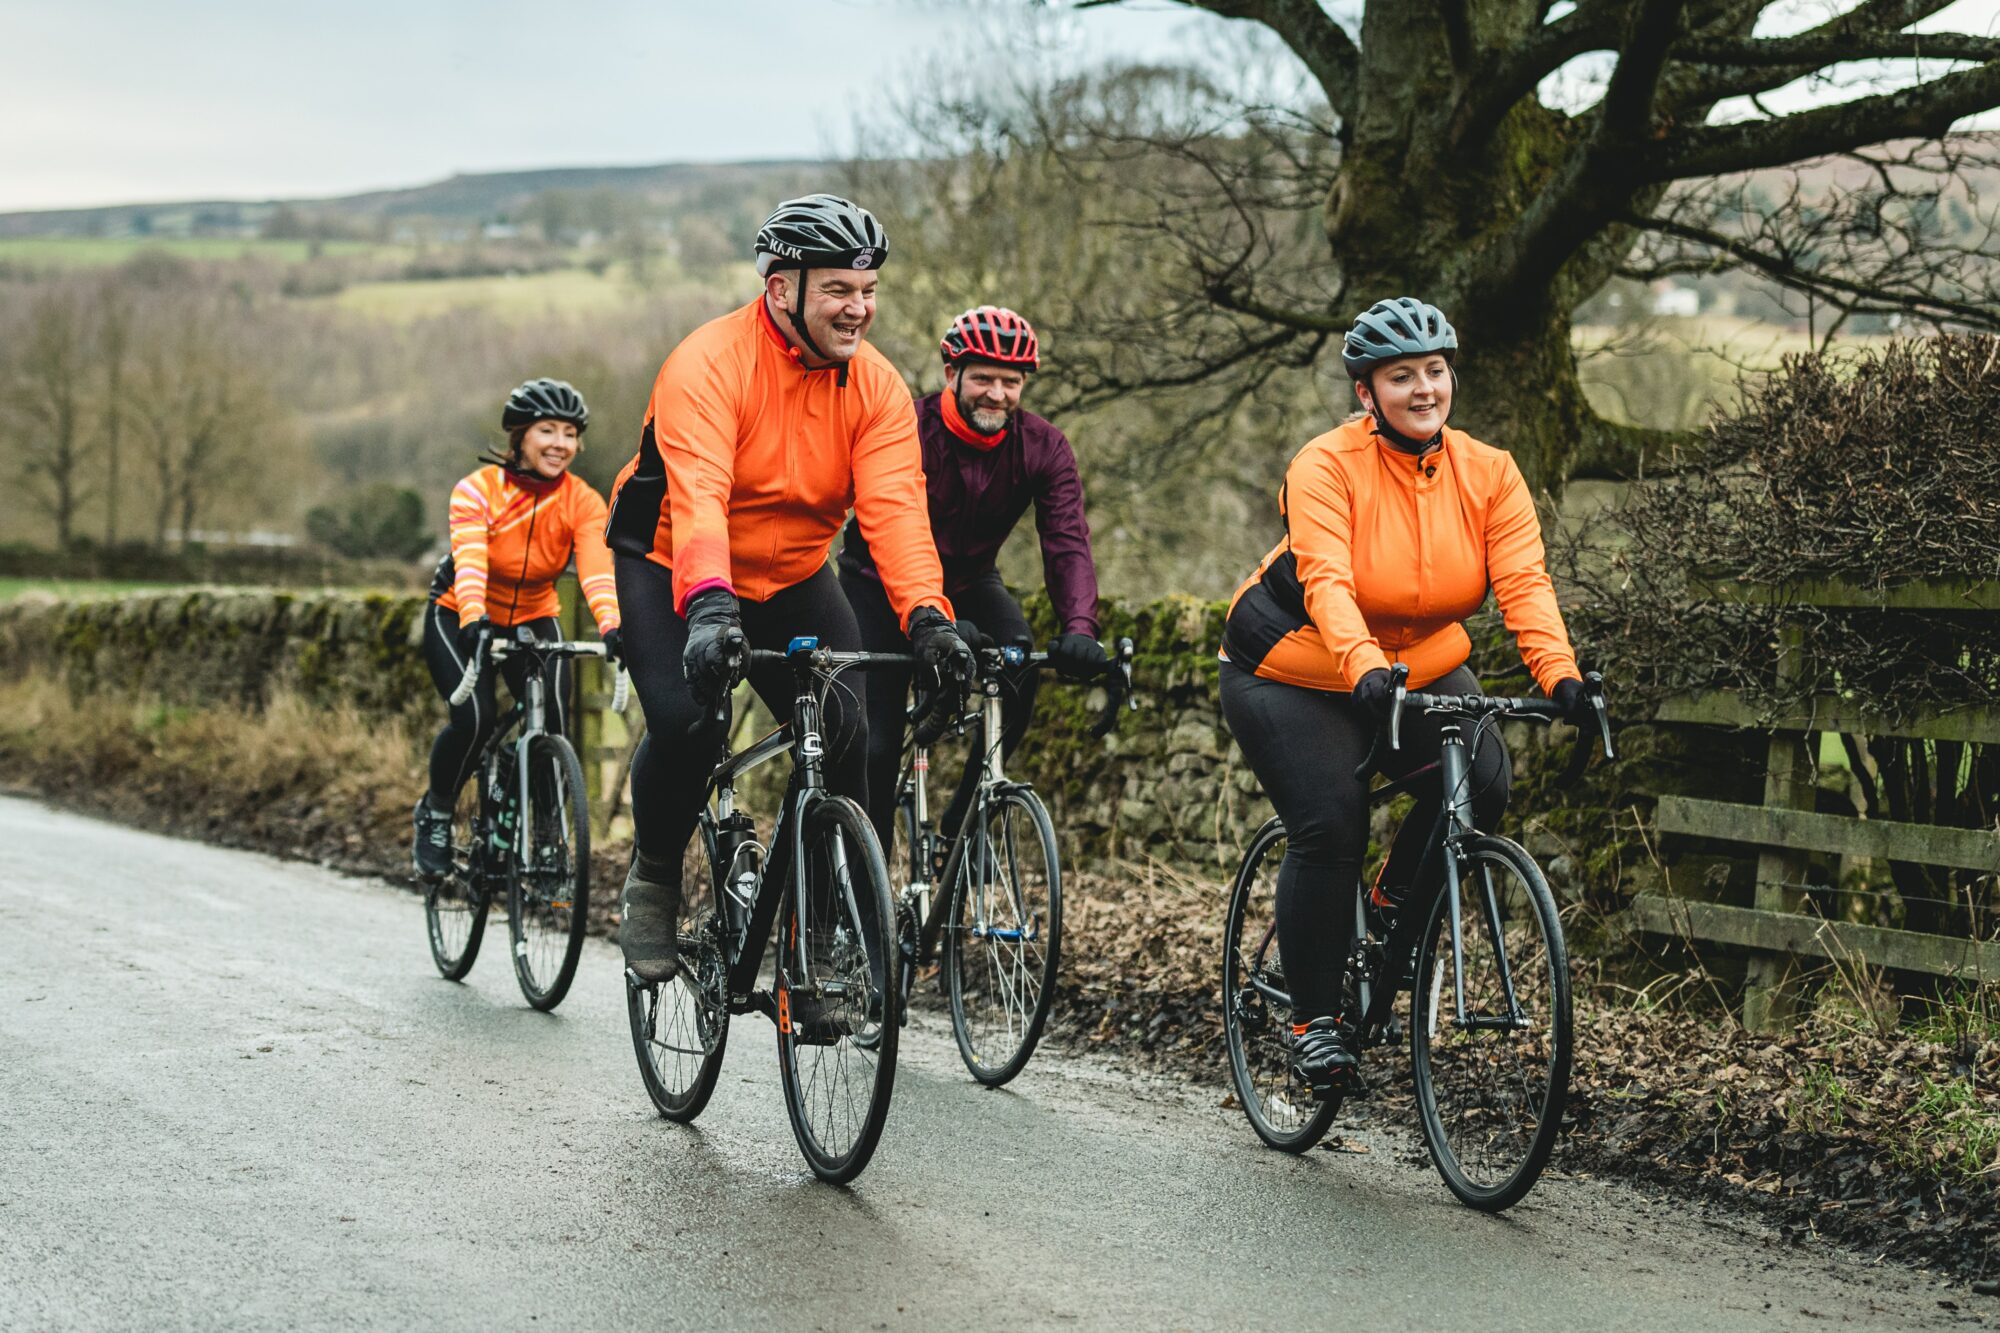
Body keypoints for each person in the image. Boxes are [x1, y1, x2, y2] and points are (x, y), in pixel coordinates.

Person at [1216, 297, 1597, 1090]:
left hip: (1413, 662)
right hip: (1289, 660)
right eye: (1400, 376)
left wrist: (1559, 675)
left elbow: (1524, 583)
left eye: (1434, 370)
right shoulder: (1325, 465)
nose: (1424, 388)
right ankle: (1314, 1021)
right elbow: (1327, 580)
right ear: (1366, 393)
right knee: (1330, 820)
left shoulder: (1490, 473)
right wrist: (1361, 669)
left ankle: (1388, 910)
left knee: (1485, 780)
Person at [605, 193, 973, 984]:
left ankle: (822, 934)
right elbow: (700, 493)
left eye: (870, 290)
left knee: (846, 730)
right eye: (840, 289)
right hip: (672, 560)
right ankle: (656, 875)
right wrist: (708, 607)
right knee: (690, 726)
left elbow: (897, 512)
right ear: (782, 288)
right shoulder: (708, 363)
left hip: (794, 570)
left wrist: (930, 620)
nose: (860, 309)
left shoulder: (873, 387)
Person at [838, 304, 1103, 856]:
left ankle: (961, 827)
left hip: (970, 580)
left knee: (1019, 665)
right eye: (982, 377)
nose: (997, 394)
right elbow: (886, 524)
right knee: (879, 746)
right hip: (878, 585)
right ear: (950, 375)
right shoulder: (907, 427)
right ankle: (868, 900)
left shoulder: (1043, 447)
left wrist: (1080, 626)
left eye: (1011, 382)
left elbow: (1067, 541)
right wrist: (943, 625)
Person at [413, 377, 622, 879]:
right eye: (547, 430)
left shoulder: (583, 501)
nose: (560, 444)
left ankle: (548, 834)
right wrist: (472, 618)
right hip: (459, 611)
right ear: (520, 437)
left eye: (570, 434)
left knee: (551, 722)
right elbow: (470, 563)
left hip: (533, 611)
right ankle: (436, 813)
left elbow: (595, 569)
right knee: (476, 719)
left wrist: (613, 626)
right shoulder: (478, 491)